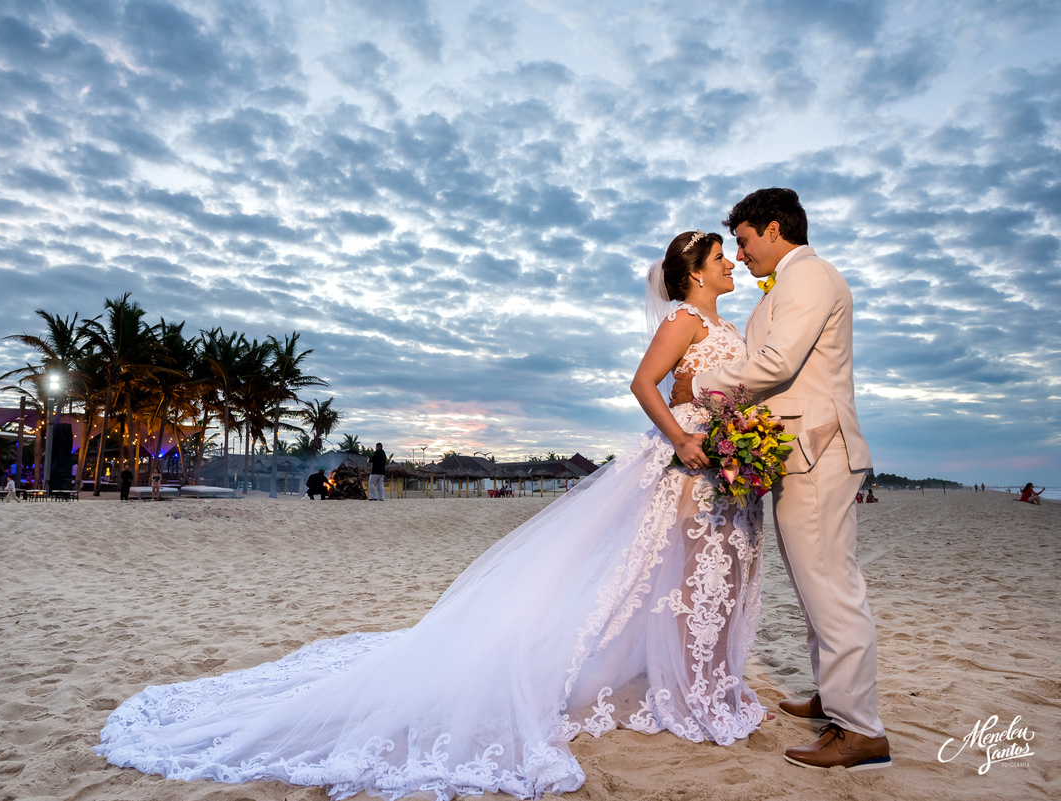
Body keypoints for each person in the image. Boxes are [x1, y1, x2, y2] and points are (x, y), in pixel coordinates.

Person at [95, 230, 771, 798]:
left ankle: (701, 681)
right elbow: (641, 383)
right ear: (694, 272)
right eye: (721, 256)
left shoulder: (728, 325)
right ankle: (687, 688)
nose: (730, 263)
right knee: (669, 573)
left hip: (721, 454)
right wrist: (684, 436)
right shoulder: (686, 319)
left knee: (687, 574)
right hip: (684, 455)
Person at [672, 188, 890, 771]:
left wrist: (699, 387)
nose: (739, 255)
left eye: (742, 242)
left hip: (818, 450)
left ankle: (861, 730)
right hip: (795, 451)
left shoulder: (810, 277)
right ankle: (835, 696)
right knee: (813, 583)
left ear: (774, 229)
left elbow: (778, 364)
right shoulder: (790, 284)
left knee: (831, 586)